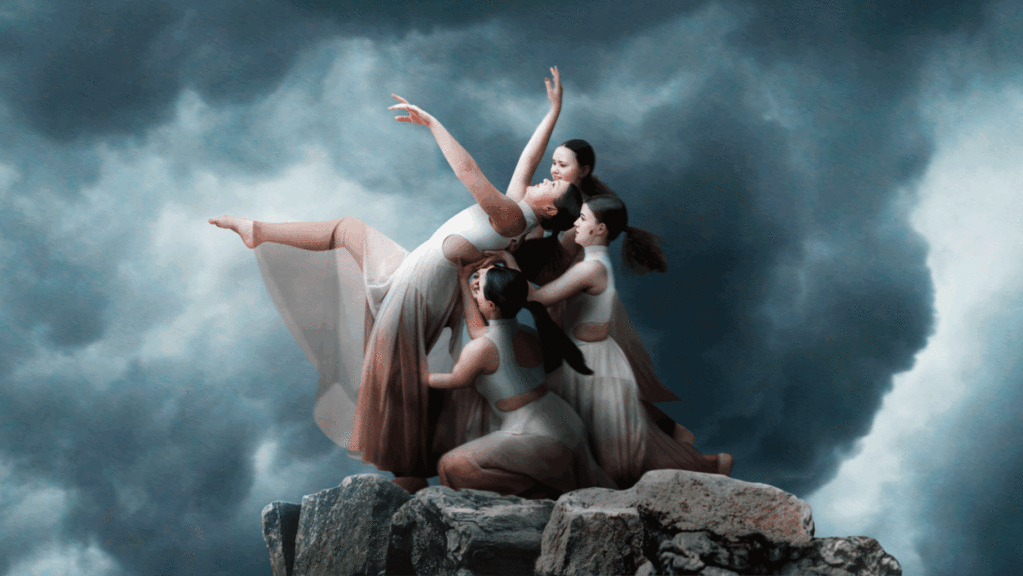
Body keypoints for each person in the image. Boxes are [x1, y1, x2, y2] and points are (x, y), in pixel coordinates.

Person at [209, 68, 581, 493]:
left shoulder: (513, 216)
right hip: (417, 270)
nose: (545, 178)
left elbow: (470, 174)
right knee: (349, 230)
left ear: (549, 212)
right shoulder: (517, 211)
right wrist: (553, 112)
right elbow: (528, 160)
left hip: (421, 290)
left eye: (552, 187)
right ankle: (257, 231)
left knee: (394, 376)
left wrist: (433, 124)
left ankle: (408, 470)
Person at [523, 195, 733, 488]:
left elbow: (537, 298)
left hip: (596, 368)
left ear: (600, 230)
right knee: (611, 446)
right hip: (591, 361)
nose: (576, 224)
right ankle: (707, 462)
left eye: (583, 219)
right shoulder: (590, 263)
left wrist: (505, 260)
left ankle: (709, 466)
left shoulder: (591, 268)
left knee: (619, 459)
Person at [427, 263, 616, 498]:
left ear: (490, 304)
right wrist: (466, 284)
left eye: (479, 287)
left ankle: (553, 496)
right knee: (456, 469)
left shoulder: (482, 348)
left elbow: (456, 380)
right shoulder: (529, 334)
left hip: (538, 436)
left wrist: (420, 375)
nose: (475, 288)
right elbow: (479, 329)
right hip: (565, 425)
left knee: (450, 467)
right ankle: (555, 494)